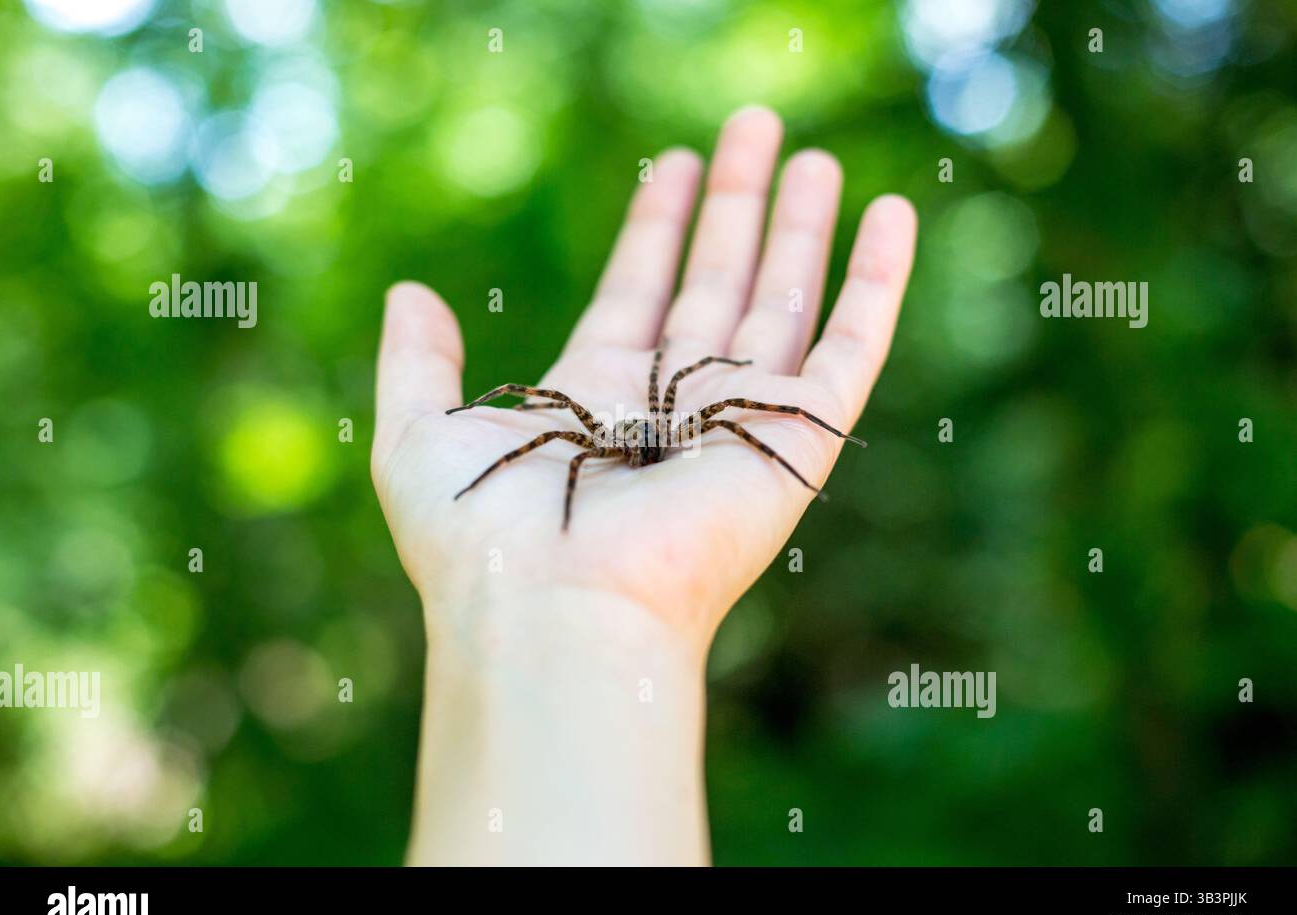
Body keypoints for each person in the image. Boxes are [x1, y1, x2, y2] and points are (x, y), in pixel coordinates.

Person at [370, 105, 918, 865]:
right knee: (556, 426)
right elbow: (549, 426)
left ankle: (817, 445)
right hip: (617, 434)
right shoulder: (592, 441)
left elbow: (698, 379)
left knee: (729, 403)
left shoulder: (671, 418)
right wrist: (547, 560)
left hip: (658, 425)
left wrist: (798, 434)